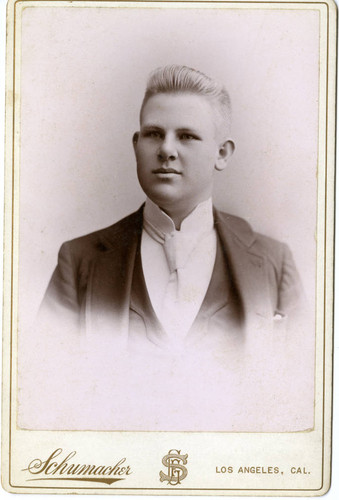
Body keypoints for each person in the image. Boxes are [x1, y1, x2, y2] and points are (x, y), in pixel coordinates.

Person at [31, 65, 314, 431]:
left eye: (187, 136)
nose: (166, 150)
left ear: (222, 153)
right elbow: (41, 394)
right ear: (136, 146)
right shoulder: (80, 259)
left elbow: (302, 400)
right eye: (153, 134)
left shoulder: (274, 262)